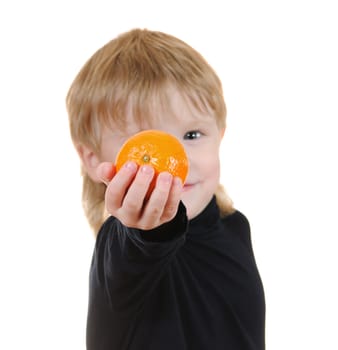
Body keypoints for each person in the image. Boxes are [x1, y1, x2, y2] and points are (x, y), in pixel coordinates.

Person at [66, 28, 265, 350]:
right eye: (145, 143)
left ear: (220, 136)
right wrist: (149, 226)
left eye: (192, 135)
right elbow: (147, 238)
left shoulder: (235, 226)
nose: (179, 160)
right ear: (92, 158)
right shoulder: (122, 247)